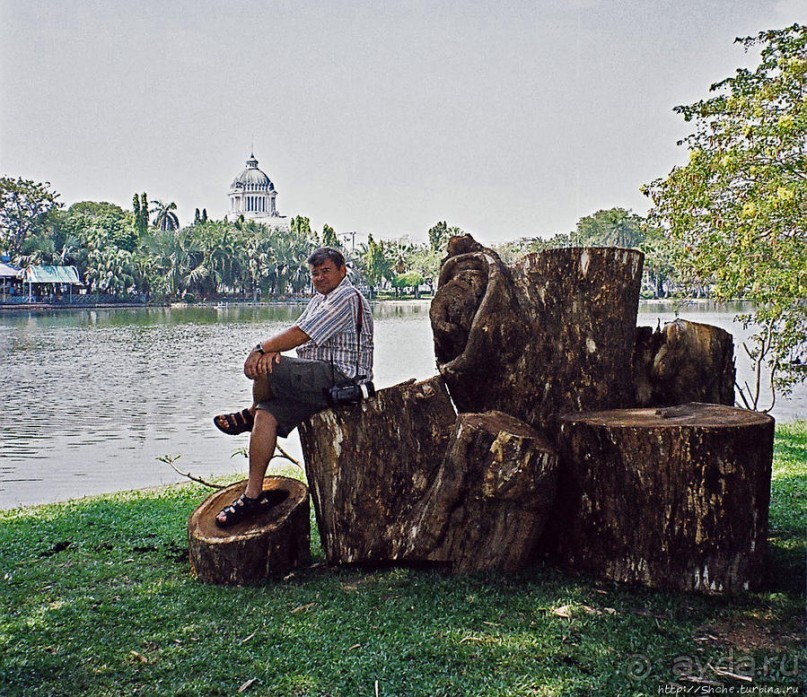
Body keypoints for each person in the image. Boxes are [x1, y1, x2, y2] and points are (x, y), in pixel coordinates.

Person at [212, 246, 374, 527]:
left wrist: (261, 349)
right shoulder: (318, 301)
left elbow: (300, 335)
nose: (320, 278)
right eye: (315, 273)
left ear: (342, 271)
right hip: (316, 382)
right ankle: (253, 495)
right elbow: (296, 335)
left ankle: (248, 414)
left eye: (326, 271)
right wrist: (272, 351)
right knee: (267, 415)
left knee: (269, 364)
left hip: (341, 380)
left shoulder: (346, 297)